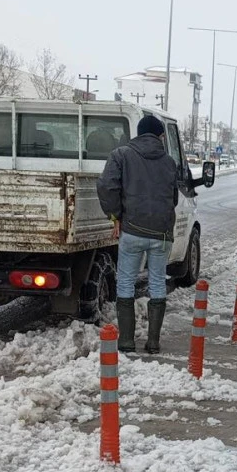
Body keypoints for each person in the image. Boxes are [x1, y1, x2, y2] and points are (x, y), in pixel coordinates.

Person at [97, 115, 179, 355]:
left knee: (125, 282)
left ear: (139, 133)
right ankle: (153, 342)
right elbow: (172, 198)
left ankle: (126, 342)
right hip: (162, 233)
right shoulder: (169, 162)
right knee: (156, 282)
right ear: (159, 136)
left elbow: (106, 186)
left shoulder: (121, 155)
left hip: (131, 230)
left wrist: (115, 216)